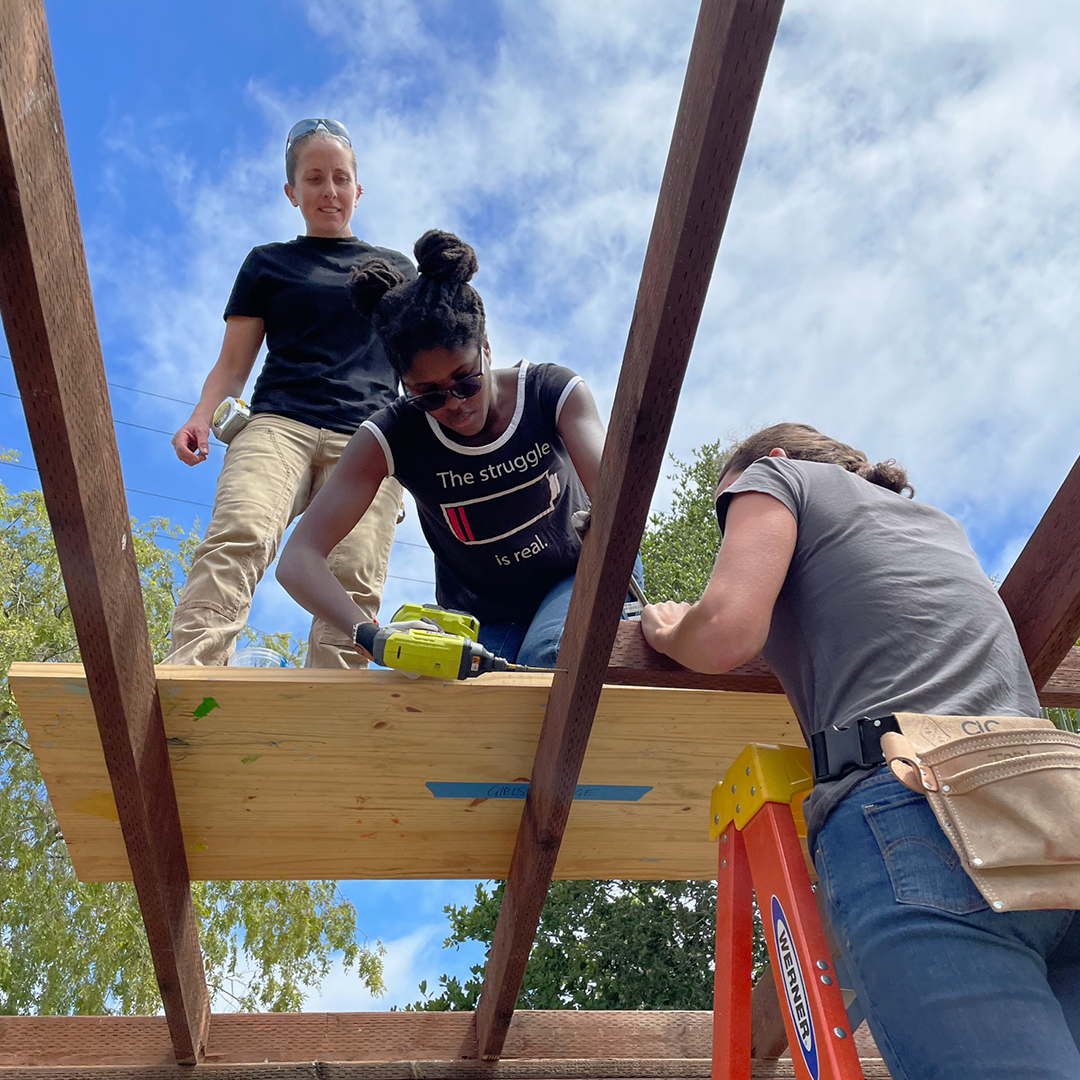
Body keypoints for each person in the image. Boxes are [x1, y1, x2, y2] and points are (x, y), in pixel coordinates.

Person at [640, 422, 1080, 1080]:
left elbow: (726, 632)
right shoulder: (937, 525)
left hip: (918, 805)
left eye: (724, 509)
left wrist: (673, 631)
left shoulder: (778, 477)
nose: (728, 531)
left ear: (773, 461)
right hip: (1054, 804)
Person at [277, 229, 628, 668]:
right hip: (486, 610)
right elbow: (298, 558)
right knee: (468, 689)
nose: (456, 405)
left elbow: (619, 505)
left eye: (466, 381)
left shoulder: (550, 392)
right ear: (404, 388)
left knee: (551, 658)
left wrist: (609, 526)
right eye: (429, 396)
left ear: (485, 347)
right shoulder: (392, 435)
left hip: (575, 571)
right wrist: (373, 636)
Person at [165, 118, 413, 668]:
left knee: (353, 572)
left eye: (341, 178)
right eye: (315, 178)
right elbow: (233, 364)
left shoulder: (396, 270)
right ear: (292, 192)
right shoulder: (268, 263)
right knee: (241, 532)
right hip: (279, 425)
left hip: (371, 439)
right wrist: (202, 416)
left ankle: (332, 703)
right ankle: (194, 670)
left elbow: (424, 360)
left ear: (358, 188)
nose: (330, 190)